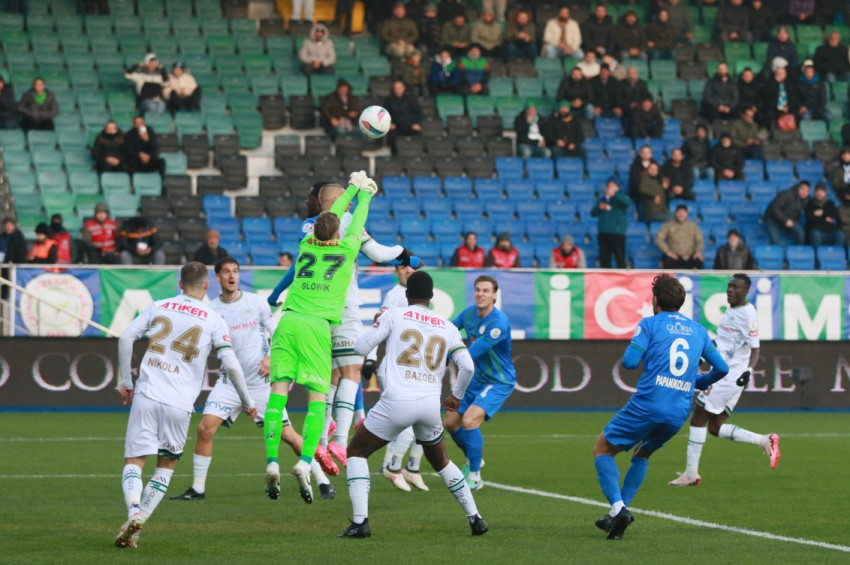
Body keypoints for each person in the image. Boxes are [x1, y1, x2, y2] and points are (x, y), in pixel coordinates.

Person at [114, 261, 256, 549]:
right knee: (165, 467)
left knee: (134, 462)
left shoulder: (160, 306)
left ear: (180, 284)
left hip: (147, 394)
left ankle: (132, 512)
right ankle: (139, 523)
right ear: (206, 286)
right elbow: (231, 363)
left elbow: (126, 337)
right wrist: (248, 401)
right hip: (179, 404)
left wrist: (126, 380)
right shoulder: (213, 318)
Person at [169, 258, 336, 503]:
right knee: (205, 429)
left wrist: (270, 356)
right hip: (229, 383)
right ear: (217, 278)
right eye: (226, 272)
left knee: (288, 435)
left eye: (235, 271)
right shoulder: (212, 310)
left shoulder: (256, 302)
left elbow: (277, 333)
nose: (231, 276)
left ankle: (322, 481)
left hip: (260, 382)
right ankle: (197, 488)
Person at [341, 271, 487, 537]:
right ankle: (475, 518)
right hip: (429, 406)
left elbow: (361, 348)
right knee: (442, 462)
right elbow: (467, 365)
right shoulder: (447, 326)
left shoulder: (395, 314)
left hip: (397, 402)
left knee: (356, 452)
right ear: (431, 297)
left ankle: (361, 522)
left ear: (407, 293)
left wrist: (377, 327)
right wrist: (456, 395)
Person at [262, 172, 376, 504]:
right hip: (316, 327)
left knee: (277, 395)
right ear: (338, 230)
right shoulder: (346, 250)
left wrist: (351, 188)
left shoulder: (304, 243)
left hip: (288, 321)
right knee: (317, 398)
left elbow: (333, 215)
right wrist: (364, 194)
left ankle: (271, 461)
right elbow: (354, 223)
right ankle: (305, 460)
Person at [594, 275, 728, 540]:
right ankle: (617, 515)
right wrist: (694, 382)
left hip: (648, 405)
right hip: (678, 412)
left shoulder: (649, 324)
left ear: (655, 299)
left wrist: (639, 347)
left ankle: (618, 508)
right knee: (642, 455)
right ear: (681, 302)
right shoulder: (698, 330)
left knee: (602, 449)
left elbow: (630, 363)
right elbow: (722, 368)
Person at [670, 273, 779, 487]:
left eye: (735, 287)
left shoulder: (748, 314)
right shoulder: (731, 310)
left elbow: (755, 348)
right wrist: (704, 356)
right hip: (727, 373)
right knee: (715, 427)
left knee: (697, 419)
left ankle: (691, 473)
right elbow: (724, 343)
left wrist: (749, 369)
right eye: (729, 287)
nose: (730, 290)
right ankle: (764, 440)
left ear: (746, 291)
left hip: (728, 376)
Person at [445, 275, 515, 491]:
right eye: (477, 290)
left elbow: (471, 353)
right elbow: (449, 329)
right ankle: (473, 459)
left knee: (469, 420)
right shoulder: (469, 314)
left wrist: (445, 355)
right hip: (477, 379)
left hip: (498, 381)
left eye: (486, 291)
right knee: (450, 423)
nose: (480, 294)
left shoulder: (498, 323)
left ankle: (475, 476)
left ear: (494, 295)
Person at [374, 261, 431, 492]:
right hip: (395, 369)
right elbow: (378, 326)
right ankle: (392, 466)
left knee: (426, 421)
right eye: (404, 267)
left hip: (411, 371)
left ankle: (412, 468)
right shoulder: (396, 296)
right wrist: (369, 358)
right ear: (396, 270)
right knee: (409, 421)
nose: (408, 270)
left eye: (413, 268)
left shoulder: (418, 299)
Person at [592, 180, 629, 268]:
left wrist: (615, 195)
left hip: (617, 233)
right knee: (604, 258)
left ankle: (621, 279)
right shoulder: (603, 199)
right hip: (603, 233)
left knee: (620, 258)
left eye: (613, 186)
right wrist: (599, 207)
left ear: (617, 187)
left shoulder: (621, 197)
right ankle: (605, 279)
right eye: (609, 186)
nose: (610, 188)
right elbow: (593, 213)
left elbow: (627, 202)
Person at [655, 205, 704, 269]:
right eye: (679, 212)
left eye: (683, 212)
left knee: (698, 261)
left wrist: (698, 252)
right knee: (667, 261)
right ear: (676, 213)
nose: (681, 214)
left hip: (689, 256)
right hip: (674, 256)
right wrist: (668, 252)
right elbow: (658, 238)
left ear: (686, 214)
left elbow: (699, 241)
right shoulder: (668, 225)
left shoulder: (693, 226)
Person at [383, 80, 423, 156]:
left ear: (404, 88)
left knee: (417, 136)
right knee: (392, 136)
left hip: (410, 126)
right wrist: (389, 124)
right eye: (396, 88)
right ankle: (395, 157)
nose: (397, 90)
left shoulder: (411, 99)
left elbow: (419, 113)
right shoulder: (389, 100)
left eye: (399, 88)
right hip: (396, 127)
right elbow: (384, 114)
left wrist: (417, 123)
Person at [805, 183, 844, 247]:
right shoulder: (810, 204)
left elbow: (835, 214)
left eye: (822, 191)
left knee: (840, 235)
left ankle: (836, 254)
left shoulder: (830, 203)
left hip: (829, 232)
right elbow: (810, 218)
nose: (819, 193)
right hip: (816, 231)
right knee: (815, 234)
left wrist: (823, 212)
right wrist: (825, 219)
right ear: (815, 192)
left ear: (825, 192)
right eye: (818, 191)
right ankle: (817, 255)